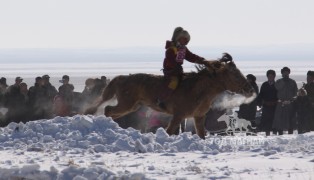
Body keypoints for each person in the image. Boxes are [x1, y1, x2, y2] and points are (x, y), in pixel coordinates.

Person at [157, 27, 206, 109]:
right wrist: (176, 69)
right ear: (179, 38)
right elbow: (170, 61)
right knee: (174, 82)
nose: (186, 41)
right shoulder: (171, 49)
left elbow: (191, 56)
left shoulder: (183, 49)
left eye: (187, 40)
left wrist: (202, 60)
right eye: (185, 39)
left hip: (178, 70)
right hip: (171, 70)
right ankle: (161, 100)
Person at [273, 67, 298, 135]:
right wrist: (283, 82)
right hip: (281, 103)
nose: (286, 73)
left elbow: (296, 93)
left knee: (291, 119)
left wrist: (292, 100)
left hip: (290, 103)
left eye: (287, 72)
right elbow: (277, 88)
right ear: (282, 73)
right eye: (284, 72)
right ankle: (280, 133)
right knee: (279, 120)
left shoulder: (293, 82)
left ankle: (290, 133)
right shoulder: (278, 81)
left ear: (289, 73)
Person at [257, 70, 278, 136]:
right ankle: (267, 134)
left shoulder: (277, 85)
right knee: (266, 121)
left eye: (272, 76)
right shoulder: (264, 85)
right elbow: (261, 95)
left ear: (274, 76)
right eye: (269, 76)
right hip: (266, 106)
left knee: (275, 120)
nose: (270, 77)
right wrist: (260, 103)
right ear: (267, 76)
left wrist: (276, 102)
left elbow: (279, 95)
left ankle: (275, 134)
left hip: (275, 106)